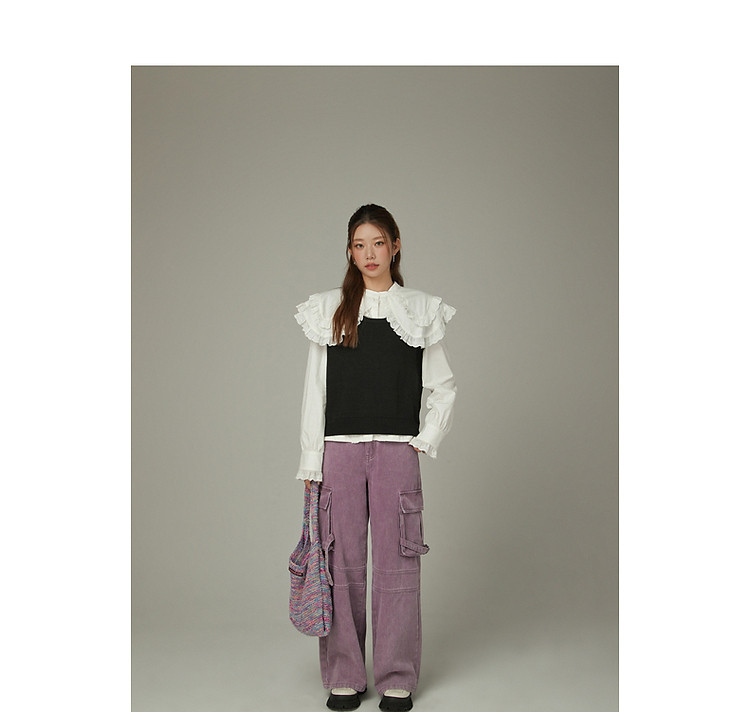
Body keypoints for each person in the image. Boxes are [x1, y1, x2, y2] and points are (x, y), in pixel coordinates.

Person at [294, 204, 457, 712]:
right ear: (349, 251)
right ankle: (344, 675)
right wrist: (310, 461)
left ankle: (396, 676)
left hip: (395, 452)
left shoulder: (420, 309)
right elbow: (315, 391)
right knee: (339, 564)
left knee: (397, 565)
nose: (369, 254)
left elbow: (444, 386)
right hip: (339, 453)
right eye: (359, 245)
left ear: (395, 246)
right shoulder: (329, 310)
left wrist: (425, 438)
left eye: (378, 243)